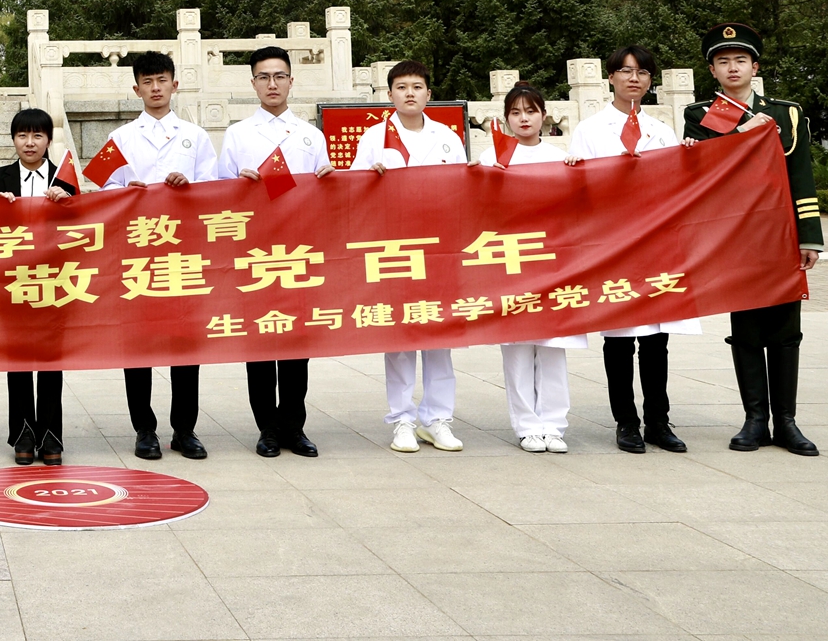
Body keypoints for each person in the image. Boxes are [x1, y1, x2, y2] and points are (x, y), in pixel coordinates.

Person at [685, 23, 823, 457]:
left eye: (740, 60)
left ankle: (786, 421)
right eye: (723, 61)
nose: (732, 67)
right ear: (712, 69)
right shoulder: (700, 113)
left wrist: (810, 236)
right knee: (745, 329)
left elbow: (800, 175)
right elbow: (703, 167)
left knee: (785, 331)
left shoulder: (787, 113)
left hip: (780, 234)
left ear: (754, 66)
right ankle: (754, 419)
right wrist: (743, 133)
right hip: (735, 235)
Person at [99, 51, 221, 462]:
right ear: (136, 88)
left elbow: (215, 188)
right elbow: (98, 192)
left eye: (162, 80)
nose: (155, 88)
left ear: (174, 84)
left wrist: (189, 185)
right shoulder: (120, 138)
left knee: (185, 344)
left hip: (183, 253)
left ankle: (185, 429)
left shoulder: (195, 136)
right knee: (139, 345)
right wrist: (125, 190)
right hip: (136, 254)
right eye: (147, 81)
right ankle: (145, 429)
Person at [569, 45, 692, 454]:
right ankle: (626, 422)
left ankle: (659, 420)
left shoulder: (663, 130)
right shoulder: (589, 129)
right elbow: (578, 191)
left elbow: (677, 186)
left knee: (657, 339)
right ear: (611, 78)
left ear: (650, 80)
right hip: (613, 246)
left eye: (641, 72)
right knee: (619, 338)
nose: (633, 78)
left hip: (655, 245)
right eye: (625, 71)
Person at [216, 45, 332, 458]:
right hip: (255, 253)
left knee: (296, 344)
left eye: (279, 76)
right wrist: (237, 182)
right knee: (262, 342)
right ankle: (266, 427)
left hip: (299, 250)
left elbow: (327, 194)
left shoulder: (311, 135)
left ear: (290, 81)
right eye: (263, 77)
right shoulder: (238, 134)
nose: (271, 84)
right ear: (253, 83)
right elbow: (216, 195)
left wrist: (328, 179)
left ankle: (294, 426)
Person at [352, 60, 469, 455]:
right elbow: (352, 192)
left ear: (428, 94)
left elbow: (463, 191)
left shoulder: (448, 137)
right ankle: (402, 420)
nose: (409, 93)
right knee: (400, 335)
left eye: (417, 87)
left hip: (438, 250)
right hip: (394, 248)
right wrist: (371, 177)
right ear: (389, 95)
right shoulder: (373, 138)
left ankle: (438, 419)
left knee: (439, 334)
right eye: (401, 87)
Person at [473, 82, 584, 454]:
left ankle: (554, 424)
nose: (524, 118)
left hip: (552, 263)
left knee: (553, 346)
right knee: (518, 347)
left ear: (543, 116)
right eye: (516, 112)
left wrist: (575, 173)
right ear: (505, 119)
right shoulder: (492, 159)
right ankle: (526, 425)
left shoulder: (560, 157)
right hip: (510, 262)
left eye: (531, 111)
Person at [0, 107, 70, 465]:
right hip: (12, 284)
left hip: (55, 283)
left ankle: (51, 435)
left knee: (51, 361)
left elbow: (84, 229)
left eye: (37, 136)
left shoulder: (64, 180)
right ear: (13, 140)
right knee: (18, 362)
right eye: (22, 135)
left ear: (49, 140)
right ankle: (22, 434)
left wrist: (68, 206)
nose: (29, 142)